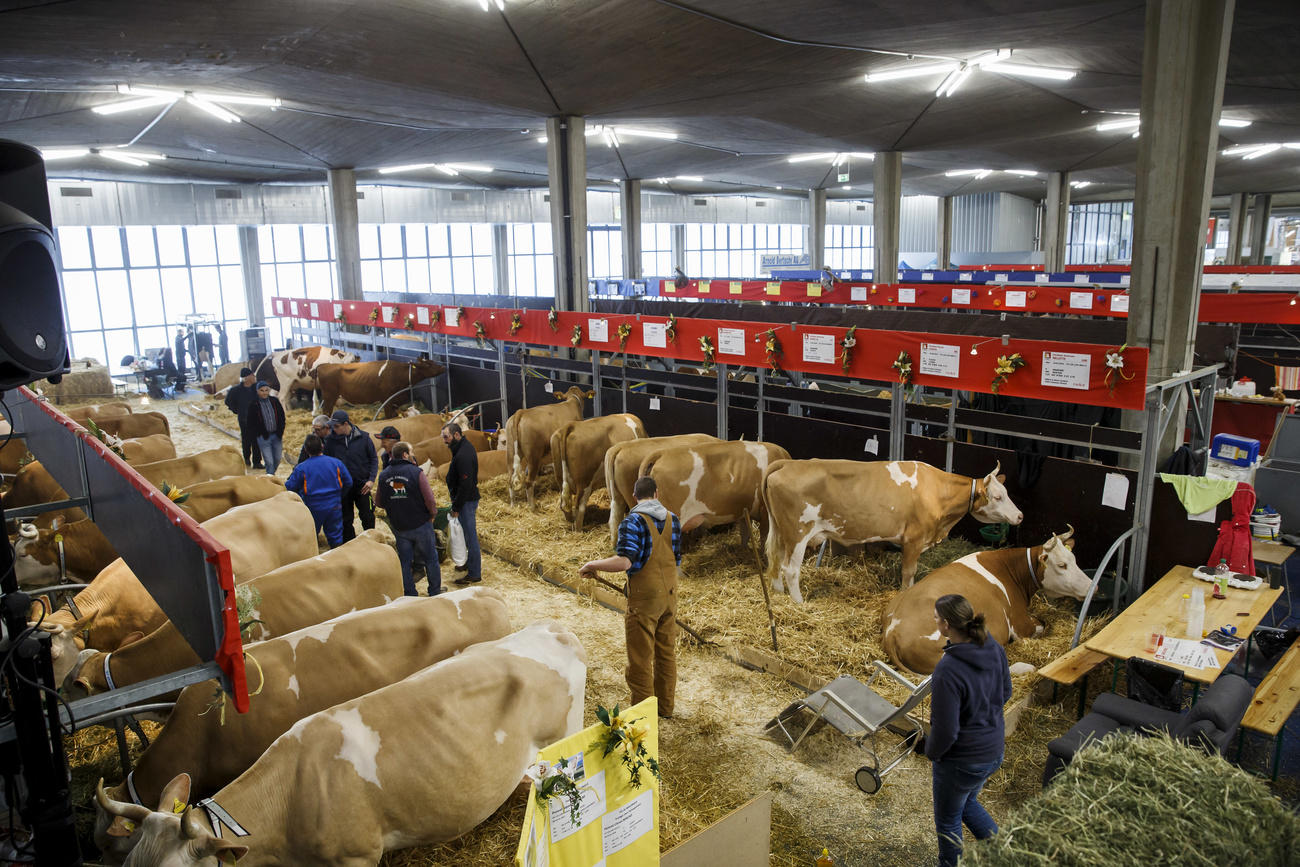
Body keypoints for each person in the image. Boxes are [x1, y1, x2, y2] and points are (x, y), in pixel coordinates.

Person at [579, 476, 681, 718]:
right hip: (670, 596)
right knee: (666, 653)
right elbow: (675, 560)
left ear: (635, 497)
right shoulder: (673, 519)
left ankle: (642, 716)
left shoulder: (632, 521)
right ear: (656, 494)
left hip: (644, 599)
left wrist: (593, 564)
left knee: (640, 658)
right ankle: (665, 708)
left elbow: (625, 561)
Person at [924, 594, 1013, 867]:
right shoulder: (993, 647)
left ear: (947, 625)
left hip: (962, 760)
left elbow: (947, 731)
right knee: (967, 804)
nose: (935, 620)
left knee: (949, 819)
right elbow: (1006, 692)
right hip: (993, 751)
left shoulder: (947, 670)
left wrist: (931, 752)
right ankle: (1005, 854)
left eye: (937, 617)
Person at [375, 441, 441, 597]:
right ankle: (434, 592)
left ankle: (410, 593)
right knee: (431, 558)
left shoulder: (383, 475)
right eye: (411, 452)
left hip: (399, 526)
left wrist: (395, 506)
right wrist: (432, 514)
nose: (413, 455)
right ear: (405, 454)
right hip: (421, 524)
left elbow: (378, 502)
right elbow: (430, 500)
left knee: (405, 561)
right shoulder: (416, 473)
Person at [285, 434, 352, 548]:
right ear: (322, 446)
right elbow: (348, 482)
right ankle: (337, 558)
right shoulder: (336, 463)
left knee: (311, 536)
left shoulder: (302, 468)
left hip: (313, 507)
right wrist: (339, 496)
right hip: (334, 505)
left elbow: (290, 486)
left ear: (306, 450)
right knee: (335, 537)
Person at [325, 409, 377, 543]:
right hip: (342, 488)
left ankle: (370, 543)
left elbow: (373, 459)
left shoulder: (364, 438)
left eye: (336, 426)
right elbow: (327, 462)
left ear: (346, 424)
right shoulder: (330, 441)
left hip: (363, 486)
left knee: (368, 516)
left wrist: (371, 480)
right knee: (345, 520)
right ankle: (351, 546)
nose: (333, 429)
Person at [443, 422, 481, 585]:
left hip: (466, 501)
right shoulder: (461, 448)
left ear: (456, 435)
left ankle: (474, 573)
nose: (444, 441)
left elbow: (465, 484)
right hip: (465, 499)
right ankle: (467, 563)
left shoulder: (463, 454)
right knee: (466, 534)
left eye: (446, 437)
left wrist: (457, 507)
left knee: (471, 537)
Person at [242, 380, 286, 475]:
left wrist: (280, 431)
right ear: (257, 391)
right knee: (269, 461)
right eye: (262, 390)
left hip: (276, 436)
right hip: (263, 437)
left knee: (277, 459)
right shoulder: (254, 404)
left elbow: (282, 417)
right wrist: (258, 434)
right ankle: (270, 478)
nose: (265, 392)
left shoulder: (275, 401)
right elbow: (250, 422)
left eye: (266, 390)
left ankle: (270, 474)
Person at [224, 367, 262, 469]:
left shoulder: (257, 389)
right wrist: (237, 410)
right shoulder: (235, 390)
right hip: (244, 419)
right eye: (252, 376)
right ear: (247, 378)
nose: (254, 377)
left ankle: (257, 462)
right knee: (246, 439)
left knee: (257, 441)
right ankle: (246, 459)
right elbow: (228, 402)